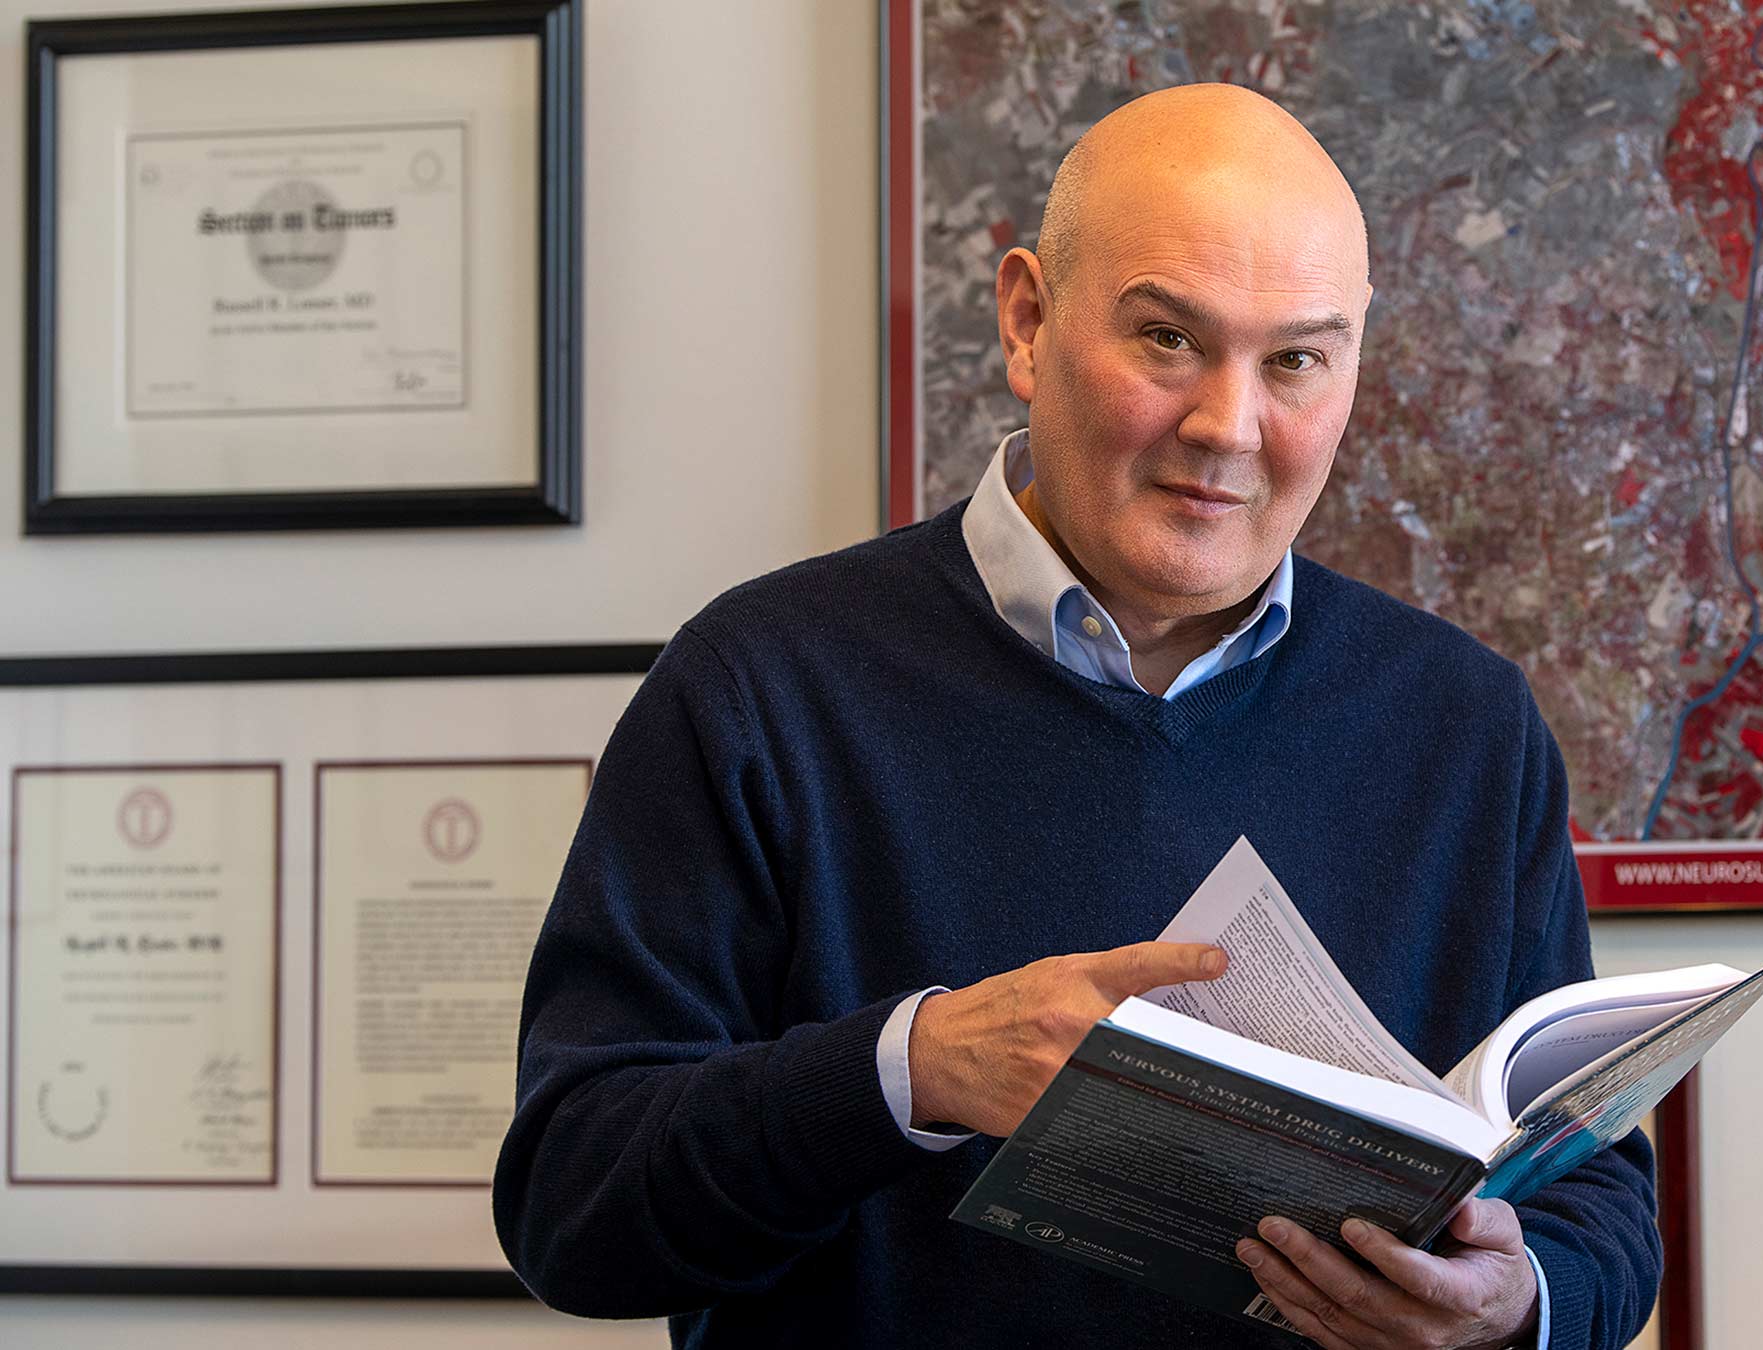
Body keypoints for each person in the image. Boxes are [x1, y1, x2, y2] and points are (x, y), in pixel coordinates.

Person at [494, 83, 1662, 1349]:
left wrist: (1520, 1301)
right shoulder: (758, 687)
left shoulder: (1465, 726)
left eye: (1295, 361)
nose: (1230, 426)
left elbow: (1596, 1200)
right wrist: (914, 1068)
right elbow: (572, 1203)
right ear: (1027, 320)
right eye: (1168, 340)